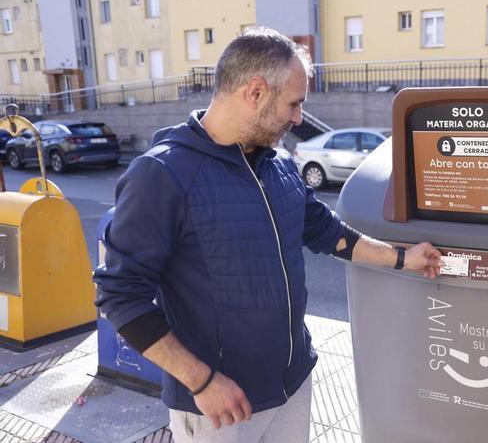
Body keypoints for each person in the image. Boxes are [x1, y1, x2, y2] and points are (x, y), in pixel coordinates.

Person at [94, 27, 443, 443]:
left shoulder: (278, 166)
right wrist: (203, 382)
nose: (298, 119)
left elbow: (325, 231)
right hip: (220, 406)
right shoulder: (163, 174)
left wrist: (404, 258)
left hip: (293, 383)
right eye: (294, 104)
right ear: (255, 92)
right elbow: (121, 296)